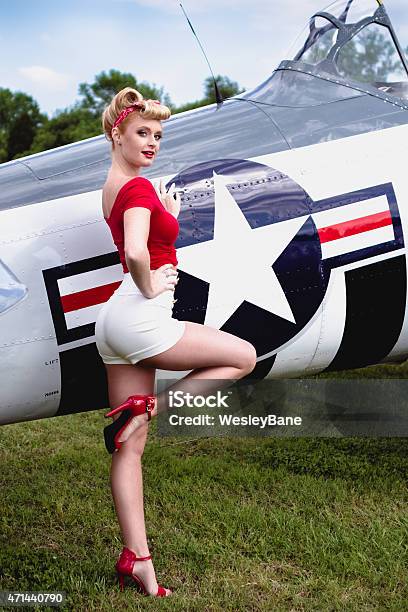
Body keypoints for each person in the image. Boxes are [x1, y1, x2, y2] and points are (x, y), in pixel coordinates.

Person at [95, 86, 257, 598]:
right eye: (142, 132)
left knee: (129, 447)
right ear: (116, 132)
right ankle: (152, 407)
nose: (152, 143)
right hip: (141, 316)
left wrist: (165, 216)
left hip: (112, 326)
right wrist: (148, 281)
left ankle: (138, 560)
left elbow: (137, 237)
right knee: (242, 357)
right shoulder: (139, 191)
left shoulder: (117, 185)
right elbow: (139, 253)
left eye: (159, 135)